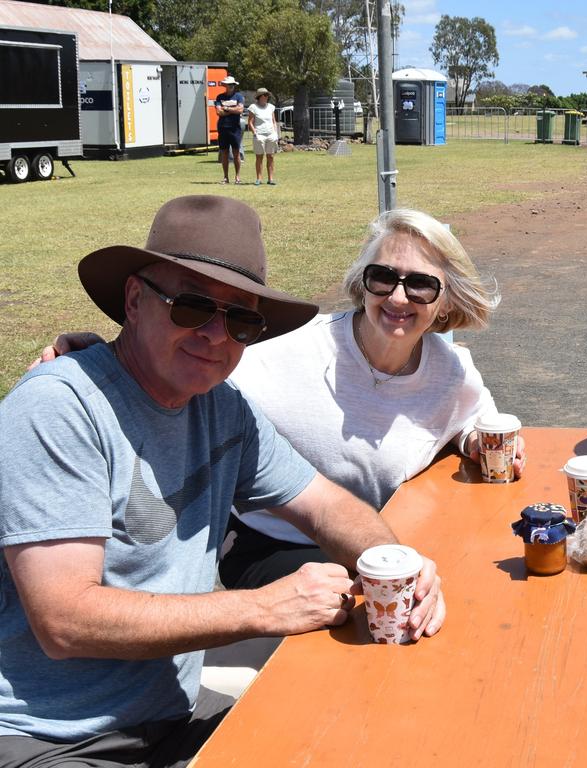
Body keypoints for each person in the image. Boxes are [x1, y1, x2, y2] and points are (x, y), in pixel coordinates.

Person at [0, 195, 445, 768]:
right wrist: (263, 608)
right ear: (135, 301)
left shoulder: (219, 407)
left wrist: (394, 560)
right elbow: (65, 619)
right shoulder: (60, 408)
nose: (216, 334)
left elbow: (325, 506)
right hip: (53, 738)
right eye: (191, 306)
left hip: (173, 714)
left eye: (241, 318)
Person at [219, 208, 524, 588]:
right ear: (363, 285)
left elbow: (475, 417)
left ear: (447, 301)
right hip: (278, 545)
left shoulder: (451, 370)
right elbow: (204, 403)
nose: (397, 297)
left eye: (421, 285)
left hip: (384, 538)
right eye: (382, 278)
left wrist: (474, 440)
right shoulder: (286, 350)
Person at [215, 76, 245, 184]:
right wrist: (233, 110)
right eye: (229, 84)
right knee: (224, 153)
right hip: (223, 128)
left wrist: (227, 108)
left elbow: (240, 110)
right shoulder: (219, 97)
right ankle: (225, 177)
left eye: (233, 84)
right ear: (225, 86)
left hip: (235, 128)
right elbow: (219, 112)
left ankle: (237, 177)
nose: (231, 86)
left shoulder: (239, 97)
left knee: (236, 153)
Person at [247, 87, 279, 186]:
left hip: (270, 134)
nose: (267, 97)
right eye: (265, 95)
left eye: (267, 95)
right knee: (259, 157)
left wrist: (275, 133)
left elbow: (273, 121)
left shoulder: (271, 107)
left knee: (270, 156)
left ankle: (271, 179)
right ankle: (259, 179)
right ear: (259, 97)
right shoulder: (253, 107)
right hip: (259, 134)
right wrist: (255, 133)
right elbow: (250, 122)